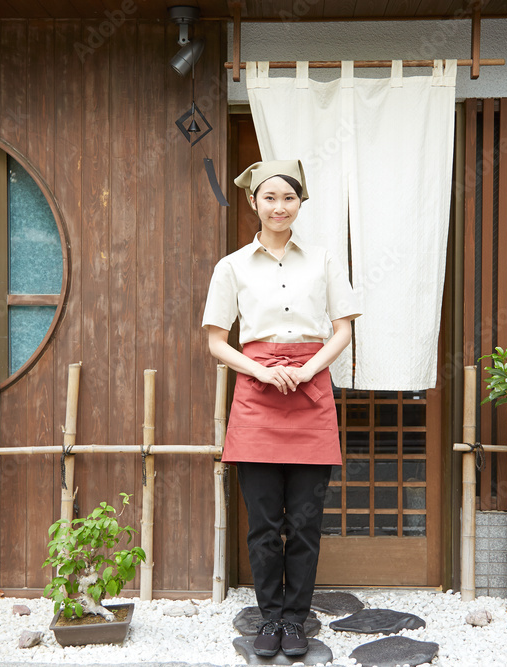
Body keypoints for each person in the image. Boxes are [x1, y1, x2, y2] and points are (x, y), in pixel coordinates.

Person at [201, 159, 361, 658]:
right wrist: (261, 371)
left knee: (307, 521)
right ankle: (269, 618)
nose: (278, 206)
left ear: (300, 204)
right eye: (269, 198)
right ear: (254, 203)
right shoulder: (231, 266)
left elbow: (343, 330)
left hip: (311, 391)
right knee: (265, 523)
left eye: (288, 198)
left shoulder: (324, 260)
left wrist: (309, 369)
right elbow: (215, 341)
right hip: (256, 392)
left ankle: (297, 620)